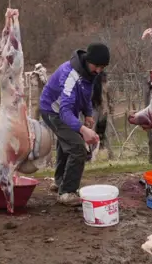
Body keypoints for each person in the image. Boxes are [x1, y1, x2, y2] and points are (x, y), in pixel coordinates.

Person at [38, 43, 109, 206]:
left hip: (65, 111)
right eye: (97, 66)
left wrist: (88, 113)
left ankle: (59, 182)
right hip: (52, 110)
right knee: (77, 147)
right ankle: (67, 192)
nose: (98, 70)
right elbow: (64, 112)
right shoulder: (70, 75)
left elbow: (85, 93)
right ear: (88, 60)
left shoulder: (89, 72)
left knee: (67, 143)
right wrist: (82, 129)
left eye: (102, 67)